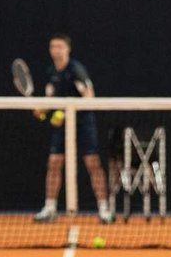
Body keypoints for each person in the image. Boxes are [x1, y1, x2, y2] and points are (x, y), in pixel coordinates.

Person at [33, 34, 113, 224]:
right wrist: (41, 109)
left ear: (68, 49)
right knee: (54, 163)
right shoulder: (52, 72)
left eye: (60, 47)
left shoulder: (76, 70)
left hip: (84, 124)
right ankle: (50, 208)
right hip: (62, 127)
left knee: (93, 164)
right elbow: (49, 100)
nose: (56, 50)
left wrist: (69, 113)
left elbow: (90, 97)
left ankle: (104, 209)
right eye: (53, 47)